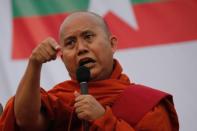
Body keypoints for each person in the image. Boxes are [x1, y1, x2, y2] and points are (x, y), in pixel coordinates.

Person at [0, 11, 179, 131]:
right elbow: (24, 120)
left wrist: (102, 119)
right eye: (70, 43)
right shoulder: (60, 100)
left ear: (112, 44)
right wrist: (34, 64)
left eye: (88, 37)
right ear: (62, 57)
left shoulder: (148, 105)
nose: (81, 48)